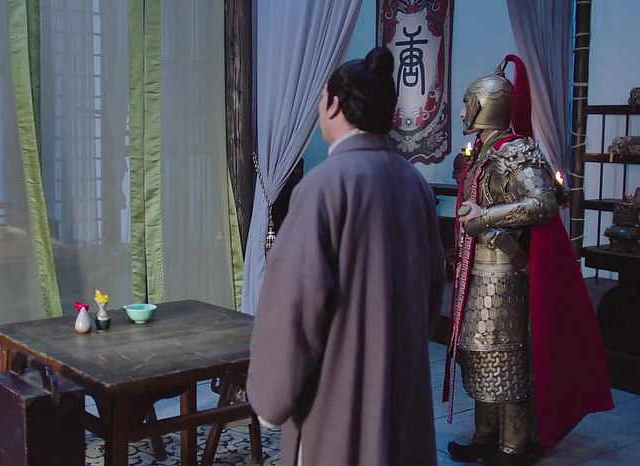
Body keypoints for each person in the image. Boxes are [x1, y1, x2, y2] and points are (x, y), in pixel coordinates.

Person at [247, 47, 445, 466]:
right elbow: (430, 293)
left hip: (339, 394)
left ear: (334, 105)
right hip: (401, 383)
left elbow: (295, 303)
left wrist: (271, 396)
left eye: (322, 98)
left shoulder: (324, 186)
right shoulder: (414, 185)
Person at [444, 55, 613, 466]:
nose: (463, 112)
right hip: (475, 270)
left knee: (506, 356)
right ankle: (485, 436)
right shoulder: (481, 152)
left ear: (484, 106)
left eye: (467, 104)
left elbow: (543, 203)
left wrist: (486, 218)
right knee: (479, 353)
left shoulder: (515, 151)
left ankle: (513, 445)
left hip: (504, 272)